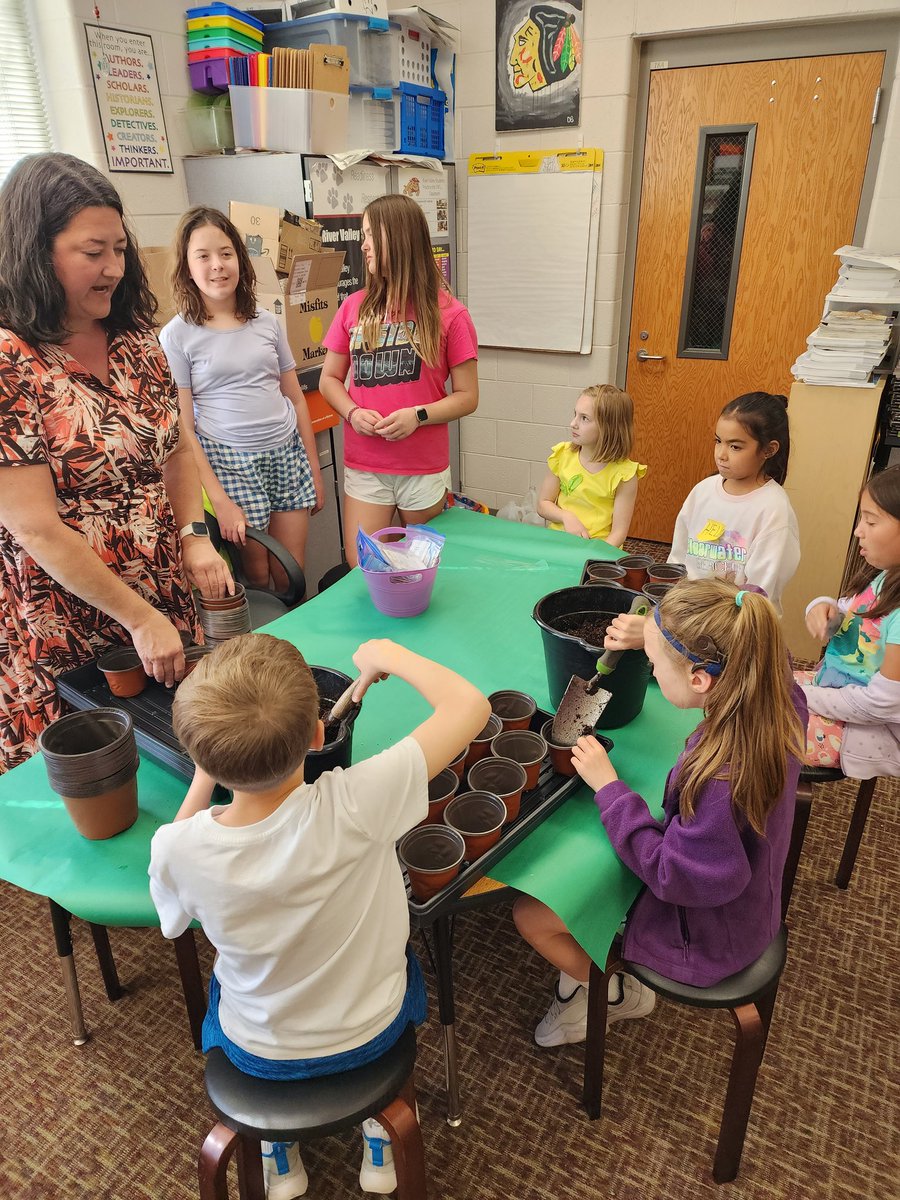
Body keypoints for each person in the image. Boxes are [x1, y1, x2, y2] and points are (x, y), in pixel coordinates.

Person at [148, 633, 490, 1198]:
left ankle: (278, 1152)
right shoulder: (358, 800)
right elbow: (470, 706)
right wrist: (388, 655)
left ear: (197, 753)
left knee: (221, 991)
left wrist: (206, 772)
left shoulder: (175, 849)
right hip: (371, 1035)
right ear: (316, 736)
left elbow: (173, 924)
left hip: (259, 1054)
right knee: (403, 962)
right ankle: (380, 1139)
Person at [0, 153, 231, 773]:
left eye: (120, 250)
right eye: (92, 251)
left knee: (175, 755)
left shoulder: (135, 342)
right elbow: (34, 526)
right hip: (68, 618)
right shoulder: (11, 362)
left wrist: (194, 535)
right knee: (93, 777)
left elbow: (176, 449)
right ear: (34, 252)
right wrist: (137, 617)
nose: (113, 269)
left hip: (159, 593)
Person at [514, 578, 806, 1047]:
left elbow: (675, 874)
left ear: (699, 679)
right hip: (749, 899)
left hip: (706, 931)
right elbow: (749, 604)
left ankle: (612, 994)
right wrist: (652, 626)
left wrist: (611, 790)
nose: (648, 668)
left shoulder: (719, 777)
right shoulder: (781, 695)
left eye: (652, 664)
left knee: (531, 914)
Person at [159, 207, 324, 587]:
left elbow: (296, 399)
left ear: (240, 259)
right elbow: (186, 428)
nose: (217, 265)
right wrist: (218, 500)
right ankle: (261, 649)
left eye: (226, 253)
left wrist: (313, 470)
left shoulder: (266, 321)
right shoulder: (177, 335)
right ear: (186, 266)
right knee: (258, 577)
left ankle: (290, 648)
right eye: (203, 256)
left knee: (291, 574)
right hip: (230, 463)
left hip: (286, 453)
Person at [319, 194, 479, 567]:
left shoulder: (450, 314)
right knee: (366, 569)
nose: (364, 244)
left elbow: (468, 397)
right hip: (366, 465)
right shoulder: (353, 307)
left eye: (371, 234)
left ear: (399, 237)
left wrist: (417, 416)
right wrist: (352, 412)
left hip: (422, 468)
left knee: (424, 569)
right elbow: (329, 379)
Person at [604, 391, 800, 656]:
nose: (721, 454)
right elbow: (677, 564)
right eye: (718, 441)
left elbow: (757, 600)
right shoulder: (703, 491)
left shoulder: (773, 510)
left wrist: (663, 631)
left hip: (736, 636)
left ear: (769, 449)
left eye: (736, 446)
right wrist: (666, 618)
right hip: (686, 622)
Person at [800, 465, 900, 777]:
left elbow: (881, 703)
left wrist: (800, 695)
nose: (859, 530)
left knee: (748, 730)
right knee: (755, 683)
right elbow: (846, 610)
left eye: (871, 521)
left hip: (868, 731)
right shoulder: (885, 577)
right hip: (838, 692)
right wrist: (822, 609)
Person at [536, 384, 646, 546]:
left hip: (599, 551)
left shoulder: (625, 474)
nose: (573, 423)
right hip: (558, 543)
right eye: (575, 414)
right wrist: (566, 517)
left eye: (584, 418)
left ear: (608, 428)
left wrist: (593, 558)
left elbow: (618, 534)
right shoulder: (562, 455)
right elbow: (543, 504)